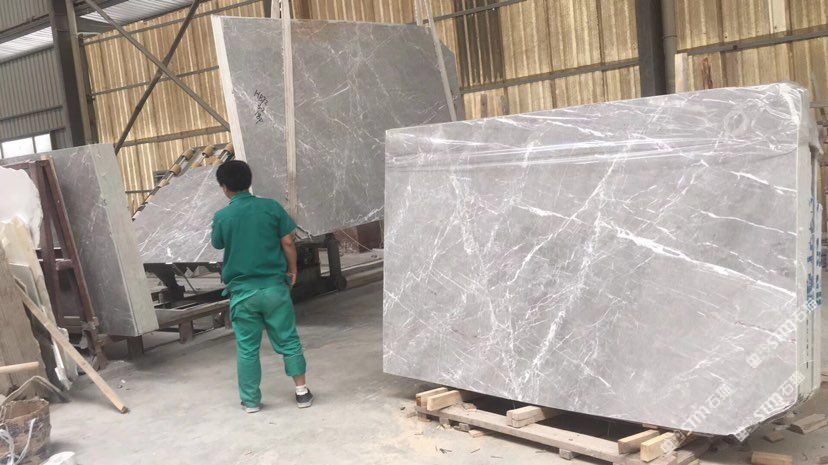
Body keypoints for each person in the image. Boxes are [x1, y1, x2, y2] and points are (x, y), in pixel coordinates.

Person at [210, 160, 312, 413]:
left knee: (247, 348)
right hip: (274, 288)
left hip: (243, 293)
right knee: (288, 339)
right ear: (249, 181)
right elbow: (287, 242)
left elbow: (218, 244)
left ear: (224, 187)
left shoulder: (222, 216)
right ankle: (302, 393)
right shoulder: (271, 207)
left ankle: (251, 401)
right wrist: (292, 270)